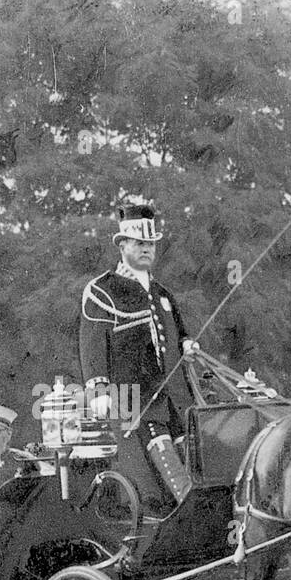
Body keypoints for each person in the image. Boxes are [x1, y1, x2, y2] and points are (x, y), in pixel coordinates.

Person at [79, 202, 199, 511]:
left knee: (195, 447)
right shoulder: (102, 292)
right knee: (159, 454)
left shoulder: (162, 294)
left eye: (150, 244)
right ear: (122, 246)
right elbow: (92, 347)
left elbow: (179, 334)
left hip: (176, 398)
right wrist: (99, 391)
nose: (146, 249)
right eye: (139, 243)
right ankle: (186, 507)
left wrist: (187, 345)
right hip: (132, 400)